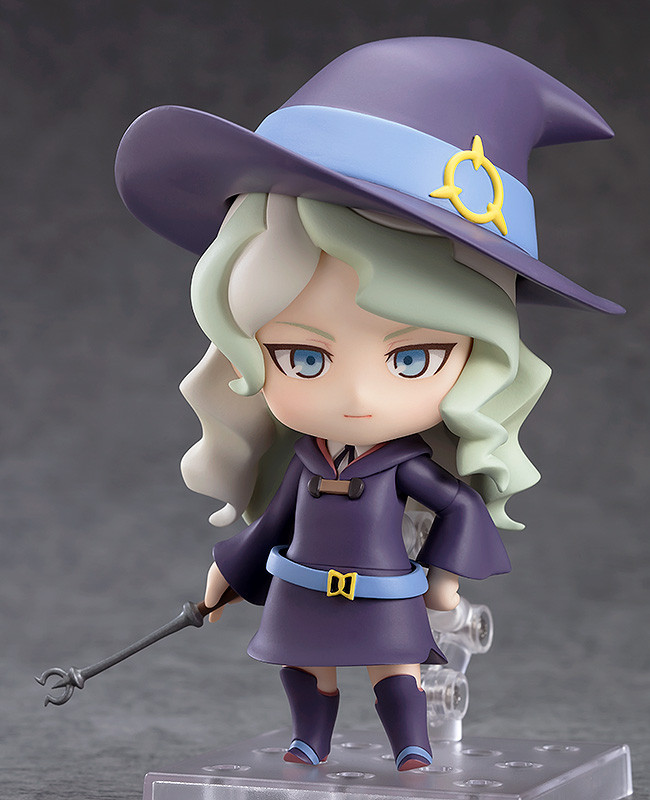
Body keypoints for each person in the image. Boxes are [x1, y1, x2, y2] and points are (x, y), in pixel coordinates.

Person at [114, 38, 623, 770]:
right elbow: (275, 526)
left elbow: (458, 508)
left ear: (482, 358)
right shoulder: (305, 461)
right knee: (303, 667)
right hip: (303, 589)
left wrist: (443, 580)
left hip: (386, 593)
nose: (356, 396)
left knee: (397, 671)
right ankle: (308, 740)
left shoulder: (403, 467)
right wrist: (231, 574)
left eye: (410, 359)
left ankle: (411, 744)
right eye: (303, 357)